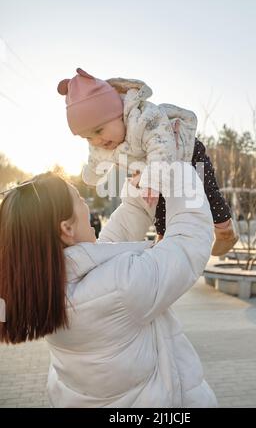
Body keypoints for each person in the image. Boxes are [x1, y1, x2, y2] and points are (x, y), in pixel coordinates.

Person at [0, 162, 217, 408]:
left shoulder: (51, 290)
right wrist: (178, 171)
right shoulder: (120, 288)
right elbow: (189, 244)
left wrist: (138, 195)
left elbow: (111, 244)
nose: (87, 205)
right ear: (67, 228)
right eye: (80, 199)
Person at [57, 68, 238, 256]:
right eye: (87, 137)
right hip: (150, 167)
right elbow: (95, 160)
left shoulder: (144, 118)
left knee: (205, 191)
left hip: (187, 154)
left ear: (117, 113)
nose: (96, 141)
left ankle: (225, 230)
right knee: (157, 202)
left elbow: (162, 147)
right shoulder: (100, 144)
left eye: (99, 131)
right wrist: (91, 176)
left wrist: (152, 180)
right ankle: (163, 238)